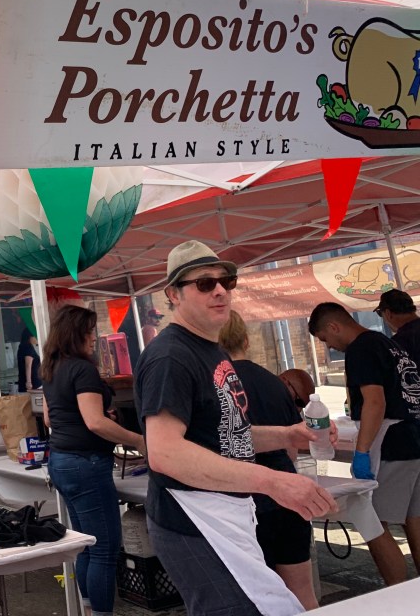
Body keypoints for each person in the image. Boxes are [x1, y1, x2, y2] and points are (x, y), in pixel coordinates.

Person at [136, 240, 337, 616]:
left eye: (226, 281)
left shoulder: (211, 349)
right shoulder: (170, 356)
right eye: (204, 283)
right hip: (194, 519)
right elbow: (164, 453)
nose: (219, 290)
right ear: (173, 295)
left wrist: (287, 435)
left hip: (228, 514)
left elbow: (225, 435)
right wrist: (272, 481)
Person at [41, 305, 145, 616]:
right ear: (75, 334)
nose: (94, 338)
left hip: (61, 460)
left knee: (86, 543)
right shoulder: (82, 369)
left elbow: (49, 419)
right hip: (85, 464)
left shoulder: (51, 368)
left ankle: (88, 610)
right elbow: (95, 423)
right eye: (89, 332)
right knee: (103, 548)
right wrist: (138, 440)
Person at [309, 301, 420, 583]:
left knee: (370, 519)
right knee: (415, 519)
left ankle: (397, 593)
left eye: (325, 338)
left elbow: (375, 401)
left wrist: (362, 451)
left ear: (334, 326)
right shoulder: (387, 342)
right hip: (413, 436)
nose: (329, 346)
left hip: (391, 444)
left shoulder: (361, 348)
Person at [219, 311, 319, 610]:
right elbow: (292, 447)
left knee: (257, 597)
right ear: (246, 340)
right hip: (287, 492)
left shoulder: (218, 384)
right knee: (302, 591)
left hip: (245, 499)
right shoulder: (275, 382)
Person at [16, 328, 41, 392]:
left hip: (28, 382)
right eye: (35, 336)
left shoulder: (23, 347)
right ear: (30, 337)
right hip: (33, 384)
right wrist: (28, 382)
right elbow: (28, 365)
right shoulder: (28, 348)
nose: (37, 338)